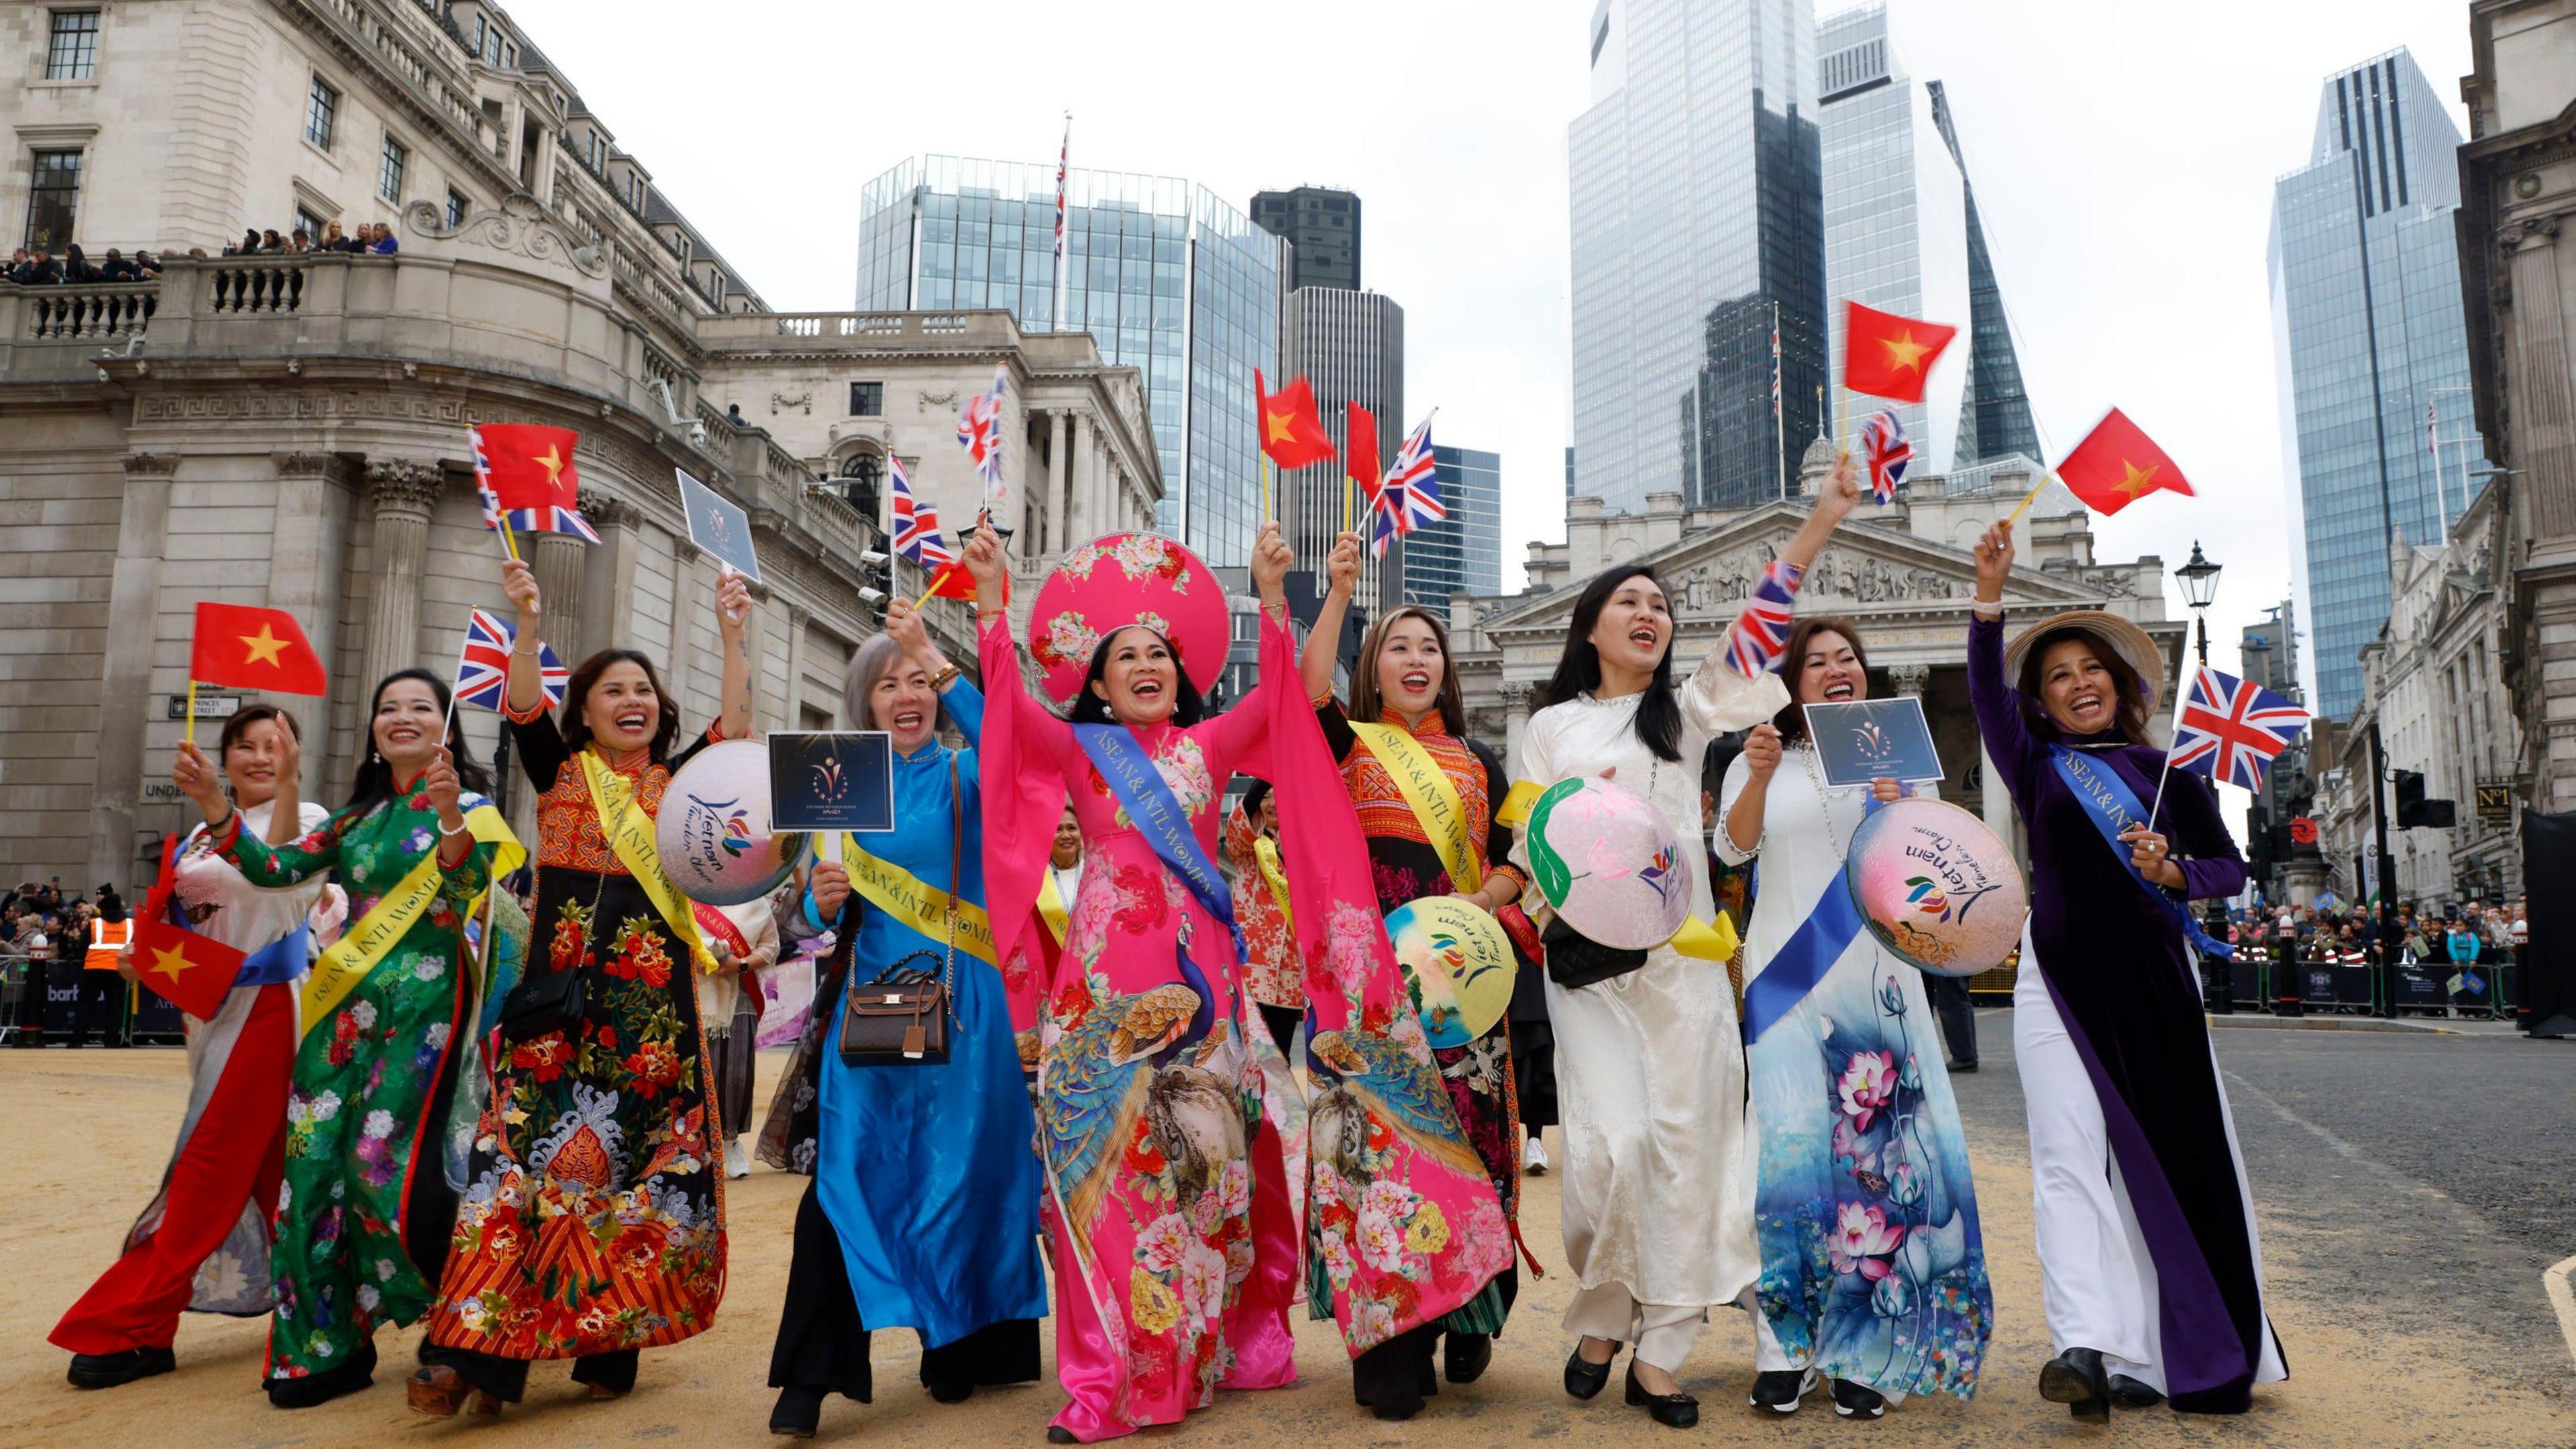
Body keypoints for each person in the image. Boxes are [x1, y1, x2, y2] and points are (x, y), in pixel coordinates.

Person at [971, 523, 1508, 1441]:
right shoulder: (1074, 749)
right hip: (1099, 994)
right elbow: (1006, 715)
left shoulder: (1212, 744)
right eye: (1124, 657)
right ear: (1095, 683)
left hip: (1205, 991)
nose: (1145, 665)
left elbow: (1283, 705)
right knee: (1098, 1177)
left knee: (1207, 1174)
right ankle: (1107, 1382)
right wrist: (989, 606)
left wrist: (1274, 596)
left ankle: (1202, 1351)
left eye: (1160, 654)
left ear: (1181, 675)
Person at [409, 557, 752, 1416]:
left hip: (652, 1022)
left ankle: (611, 1345)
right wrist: (527, 620)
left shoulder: (684, 784)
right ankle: (471, 1354)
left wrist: (734, 633)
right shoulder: (558, 771)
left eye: (644, 690)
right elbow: (521, 701)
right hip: (556, 1011)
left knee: (632, 1180)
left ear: (660, 712)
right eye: (612, 690)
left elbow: (738, 728)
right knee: (512, 1170)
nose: (631, 699)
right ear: (586, 710)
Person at [1969, 522, 2286, 1419]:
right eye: (2058, 675)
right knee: (2066, 1156)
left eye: (2090, 669)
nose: (2077, 684)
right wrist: (1988, 601)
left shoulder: (2170, 772)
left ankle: (2172, 1349)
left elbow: (2231, 866)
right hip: (2056, 980)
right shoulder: (2033, 765)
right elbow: (1987, 705)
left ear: (2121, 682)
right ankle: (2087, 1345)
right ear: (2045, 699)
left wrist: (2175, 871)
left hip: (2153, 981)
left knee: (2174, 1160)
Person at [1714, 468, 1991, 1419]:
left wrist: (1899, 815)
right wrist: (1751, 775)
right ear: (1793, 681)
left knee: (1879, 1165)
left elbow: (1936, 880)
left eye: (1850, 661)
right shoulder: (1765, 756)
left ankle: (1868, 1351)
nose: (1838, 670)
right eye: (1819, 660)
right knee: (1790, 1165)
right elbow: (1734, 848)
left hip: (1879, 984)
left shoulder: (1901, 771)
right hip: (1790, 981)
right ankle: (1783, 1345)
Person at [756, 597, 1047, 1439]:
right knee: (847, 1179)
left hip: (968, 1007)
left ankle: (959, 1346)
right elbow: (801, 919)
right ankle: (811, 1375)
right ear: (866, 701)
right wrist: (815, 903)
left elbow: (1014, 752)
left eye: (919, 681)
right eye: (890, 684)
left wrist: (948, 667)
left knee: (966, 1172)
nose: (907, 694)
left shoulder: (965, 773)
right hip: (871, 1012)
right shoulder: (836, 777)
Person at [1515, 556, 1766, 1429]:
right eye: (1628, 601)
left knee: (1688, 1156)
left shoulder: (1687, 716)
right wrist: (1482, 908)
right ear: (1590, 626)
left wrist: (1822, 522)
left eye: (1660, 605)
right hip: (1590, 967)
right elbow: (1528, 840)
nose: (1648, 614)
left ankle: (1658, 1353)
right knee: (1609, 1151)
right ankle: (1605, 1314)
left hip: (1686, 968)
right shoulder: (1551, 727)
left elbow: (1754, 633)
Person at [209, 670, 504, 1407]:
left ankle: (463, 1322)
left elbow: (474, 890)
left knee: (387, 1171)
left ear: (446, 727)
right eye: (387, 706)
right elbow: (275, 869)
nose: (400, 717)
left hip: (426, 1014)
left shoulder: (472, 806)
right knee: (309, 1171)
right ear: (373, 727)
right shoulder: (355, 819)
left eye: (420, 707)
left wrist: (449, 821)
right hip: (342, 1016)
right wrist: (216, 807)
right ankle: (321, 1348)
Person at [1298, 529, 1536, 1420]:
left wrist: (1489, 894)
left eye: (1429, 646)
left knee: (1470, 1147)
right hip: (1366, 983)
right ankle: (1390, 1347)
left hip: (1463, 981)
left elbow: (1521, 859)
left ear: (1447, 669)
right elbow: (1307, 686)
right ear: (1374, 665)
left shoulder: (1481, 763)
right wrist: (1336, 593)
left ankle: (1467, 1307)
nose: (1416, 657)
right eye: (1397, 644)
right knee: (1376, 1156)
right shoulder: (1344, 742)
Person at [53, 705, 345, 1387]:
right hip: (213, 1019)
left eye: (276, 745)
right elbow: (193, 938)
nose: (260, 756)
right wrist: (147, 960)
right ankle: (327, 1304)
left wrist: (217, 807)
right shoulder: (195, 844)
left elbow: (275, 876)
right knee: (278, 1174)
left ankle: (137, 1324)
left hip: (275, 1013)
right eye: (244, 746)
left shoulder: (308, 822)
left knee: (205, 1171)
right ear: (224, 756)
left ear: (298, 756)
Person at [1220, 781, 1301, 1061]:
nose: (1273, 803)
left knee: (1282, 1057)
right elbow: (1241, 818)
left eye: (1279, 797)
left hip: (1291, 971)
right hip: (1253, 969)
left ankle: (1279, 1107)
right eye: (1266, 797)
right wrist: (1266, 768)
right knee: (1247, 1055)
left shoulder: (1302, 847)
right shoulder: (1247, 844)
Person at [699, 892, 775, 1181]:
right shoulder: (683, 896)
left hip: (740, 998)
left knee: (736, 1075)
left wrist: (740, 964)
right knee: (700, 1073)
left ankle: (730, 1141)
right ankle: (699, 1145)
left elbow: (771, 947)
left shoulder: (755, 902)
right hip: (696, 996)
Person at [76, 885, 131, 1047]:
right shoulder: (130, 924)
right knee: (114, 1007)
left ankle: (77, 1040)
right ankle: (111, 1042)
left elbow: (82, 947)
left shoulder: (95, 924)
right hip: (118, 969)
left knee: (86, 1005)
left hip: (94, 968)